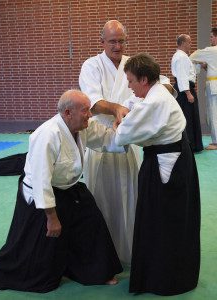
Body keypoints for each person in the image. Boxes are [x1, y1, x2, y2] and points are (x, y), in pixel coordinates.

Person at [0, 90, 124, 293]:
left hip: (69, 187)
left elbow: (107, 139)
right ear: (68, 113)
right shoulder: (48, 135)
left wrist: (130, 130)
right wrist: (52, 217)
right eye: (85, 110)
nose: (90, 115)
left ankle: (94, 271)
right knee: (34, 253)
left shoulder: (83, 126)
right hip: (40, 195)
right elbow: (42, 181)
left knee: (90, 221)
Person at [115, 53, 201, 296]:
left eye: (131, 81)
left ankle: (166, 278)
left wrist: (119, 125)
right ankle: (166, 273)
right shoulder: (156, 92)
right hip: (173, 158)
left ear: (144, 80)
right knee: (167, 218)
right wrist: (127, 108)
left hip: (167, 164)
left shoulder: (155, 102)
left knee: (164, 219)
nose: (129, 86)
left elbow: (123, 135)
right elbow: (135, 104)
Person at [79, 20, 141, 264]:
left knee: (130, 196)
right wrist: (116, 108)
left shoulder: (132, 64)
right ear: (101, 41)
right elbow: (93, 102)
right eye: (112, 41)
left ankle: (130, 251)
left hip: (129, 139)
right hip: (100, 139)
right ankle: (103, 258)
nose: (117, 46)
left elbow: (156, 80)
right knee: (101, 198)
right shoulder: (91, 66)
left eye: (121, 41)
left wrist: (165, 89)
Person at [171, 34, 203, 153]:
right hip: (184, 90)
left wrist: (198, 64)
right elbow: (182, 76)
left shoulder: (183, 56)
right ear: (183, 43)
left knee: (190, 116)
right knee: (187, 117)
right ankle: (189, 145)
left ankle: (192, 144)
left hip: (185, 89)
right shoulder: (181, 57)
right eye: (189, 42)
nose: (190, 45)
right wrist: (188, 93)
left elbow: (190, 73)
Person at [190, 27, 217, 150]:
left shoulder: (211, 50)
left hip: (214, 86)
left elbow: (193, 56)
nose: (210, 39)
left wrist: (199, 63)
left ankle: (216, 142)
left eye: (212, 36)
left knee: (213, 113)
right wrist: (206, 66)